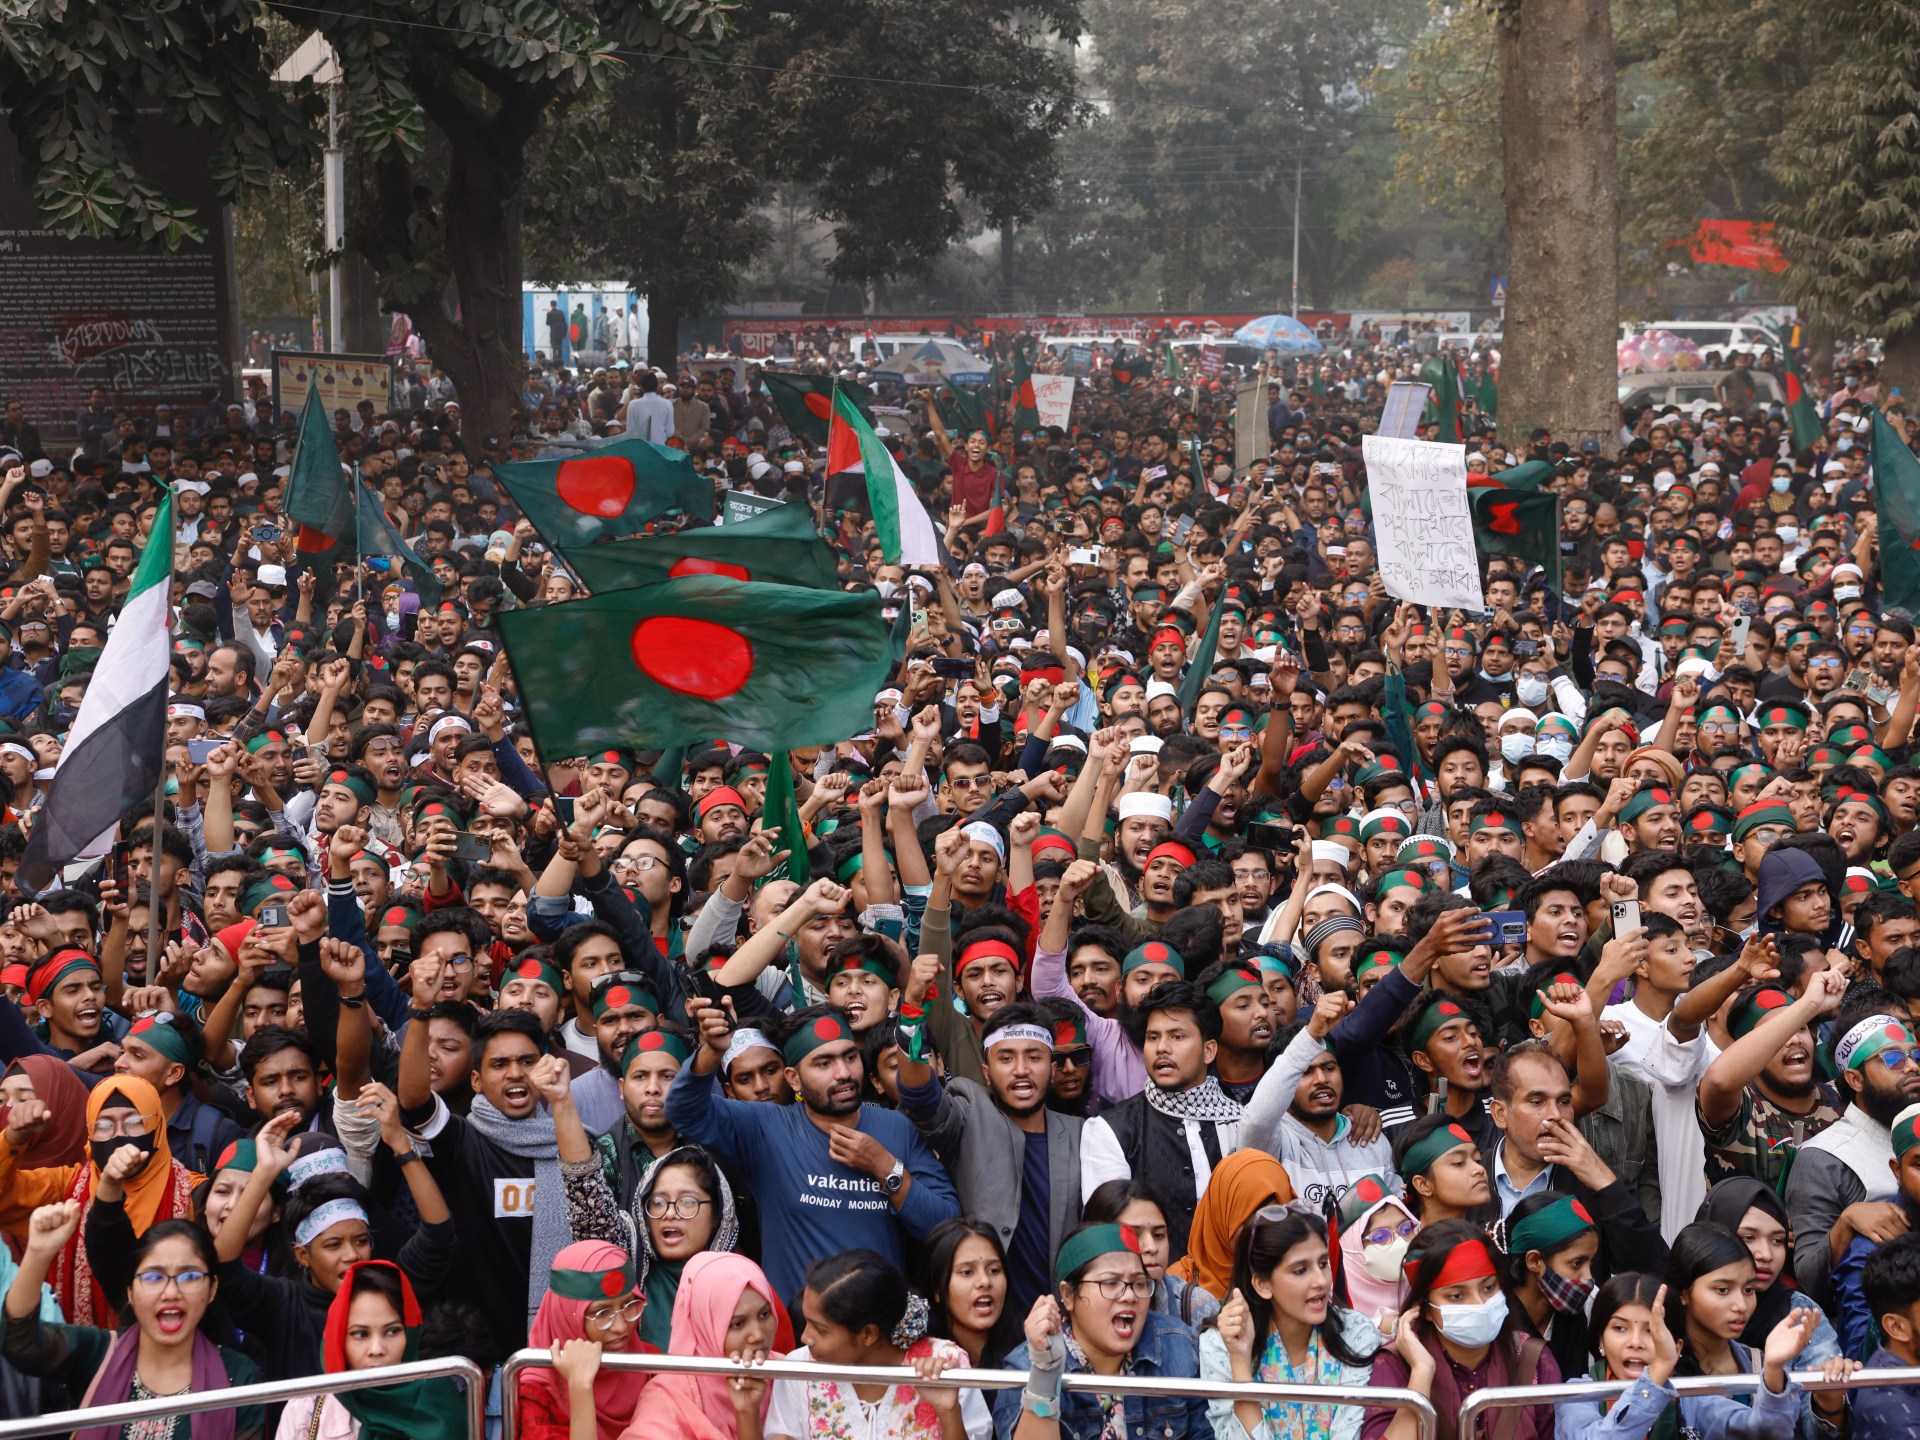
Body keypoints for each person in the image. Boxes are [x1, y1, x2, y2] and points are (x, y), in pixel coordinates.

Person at [667, 999, 959, 1300]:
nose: (843, 1073)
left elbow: (946, 1227)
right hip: (800, 1338)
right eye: (824, 1063)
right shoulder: (765, 1128)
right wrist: (711, 1052)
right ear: (794, 1078)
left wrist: (886, 1168)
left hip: (881, 1332)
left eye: (849, 1057)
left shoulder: (897, 1128)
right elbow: (683, 1110)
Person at [3, 1201, 264, 1439]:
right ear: (130, 1291)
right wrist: (37, 1253)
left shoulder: (239, 1378)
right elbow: (20, 1342)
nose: (171, 1292)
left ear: (212, 1289)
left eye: (189, 1277)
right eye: (153, 1277)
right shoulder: (96, 1354)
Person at [0, 1074, 200, 1324]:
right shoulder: (68, 1188)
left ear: (157, 1126)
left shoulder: (194, 1192)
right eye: (104, 1126)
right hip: (88, 1351)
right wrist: (13, 1139)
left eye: (134, 1122)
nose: (119, 1135)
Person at [996, 1221, 1209, 1440]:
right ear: (1068, 1294)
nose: (1129, 1296)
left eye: (1139, 1283)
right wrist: (1045, 1372)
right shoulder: (1025, 1366)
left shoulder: (1180, 1348)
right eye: (1110, 1282)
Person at [1359, 1219, 1559, 1440]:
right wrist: (1421, 1373)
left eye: (1488, 1287)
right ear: (1425, 1308)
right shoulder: (1395, 1365)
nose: (1479, 1304)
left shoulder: (1532, 1359)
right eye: (1457, 1296)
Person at [765, 1248, 990, 1440]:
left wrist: (948, 1410)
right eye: (807, 1323)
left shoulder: (945, 1364)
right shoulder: (799, 1367)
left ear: (869, 1334)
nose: (805, 1337)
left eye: (821, 1330)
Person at [1201, 1208, 1381, 1440]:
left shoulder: (1356, 1333)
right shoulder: (1219, 1346)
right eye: (1300, 1270)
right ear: (1263, 1285)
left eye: (1323, 1263)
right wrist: (1240, 1361)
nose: (1321, 1280)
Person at [1662, 1222, 1853, 1438]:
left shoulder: (1760, 1364)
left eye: (1748, 1289)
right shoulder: (1656, 1370)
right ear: (1683, 1293)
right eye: (1723, 1290)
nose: (1741, 1305)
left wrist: (1829, 1402)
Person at [273, 1259, 468, 1440]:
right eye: (360, 1334)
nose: (377, 1349)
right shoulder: (303, 1414)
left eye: (392, 1331)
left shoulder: (442, 1408)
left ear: (410, 1334)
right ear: (338, 1340)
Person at [620, 1250, 794, 1440]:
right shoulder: (668, 1398)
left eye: (764, 1314)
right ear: (705, 1325)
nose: (758, 1336)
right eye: (737, 1324)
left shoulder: (789, 1376)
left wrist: (747, 1415)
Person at [515, 1240, 659, 1440]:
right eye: (601, 1313)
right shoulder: (537, 1390)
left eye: (629, 1305)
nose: (620, 1327)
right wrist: (580, 1387)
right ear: (565, 1316)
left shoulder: (653, 1365)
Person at [1166, 1148, 1296, 1304]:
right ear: (1220, 1218)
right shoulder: (1173, 1290)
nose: (1265, 1234)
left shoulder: (1302, 1283)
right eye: (1252, 1222)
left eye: (1277, 1218)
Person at [920, 1218, 1018, 1370]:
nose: (985, 1281)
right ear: (937, 1289)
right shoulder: (920, 1360)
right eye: (967, 1272)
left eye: (994, 1270)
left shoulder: (1029, 1351)